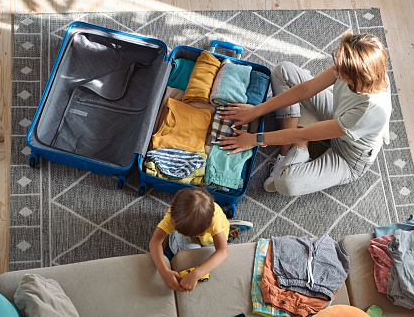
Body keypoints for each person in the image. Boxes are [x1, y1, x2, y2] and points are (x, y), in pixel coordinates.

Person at [218, 30, 392, 196]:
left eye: (340, 70)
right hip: (338, 116)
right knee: (283, 71)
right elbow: (307, 89)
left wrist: (254, 140)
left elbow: (303, 134)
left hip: (349, 155)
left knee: (285, 183)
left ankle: (300, 147)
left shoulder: (370, 111)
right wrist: (256, 110)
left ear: (358, 78)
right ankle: (286, 153)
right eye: (337, 60)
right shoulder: (359, 68)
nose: (335, 68)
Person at [149, 187, 230, 292]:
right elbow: (155, 242)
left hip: (210, 240)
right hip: (202, 235)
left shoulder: (215, 221)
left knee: (202, 257)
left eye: (187, 234)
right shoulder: (174, 215)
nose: (185, 236)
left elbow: (223, 252)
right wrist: (163, 271)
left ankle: (225, 233)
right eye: (182, 232)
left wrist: (197, 273)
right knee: (188, 255)